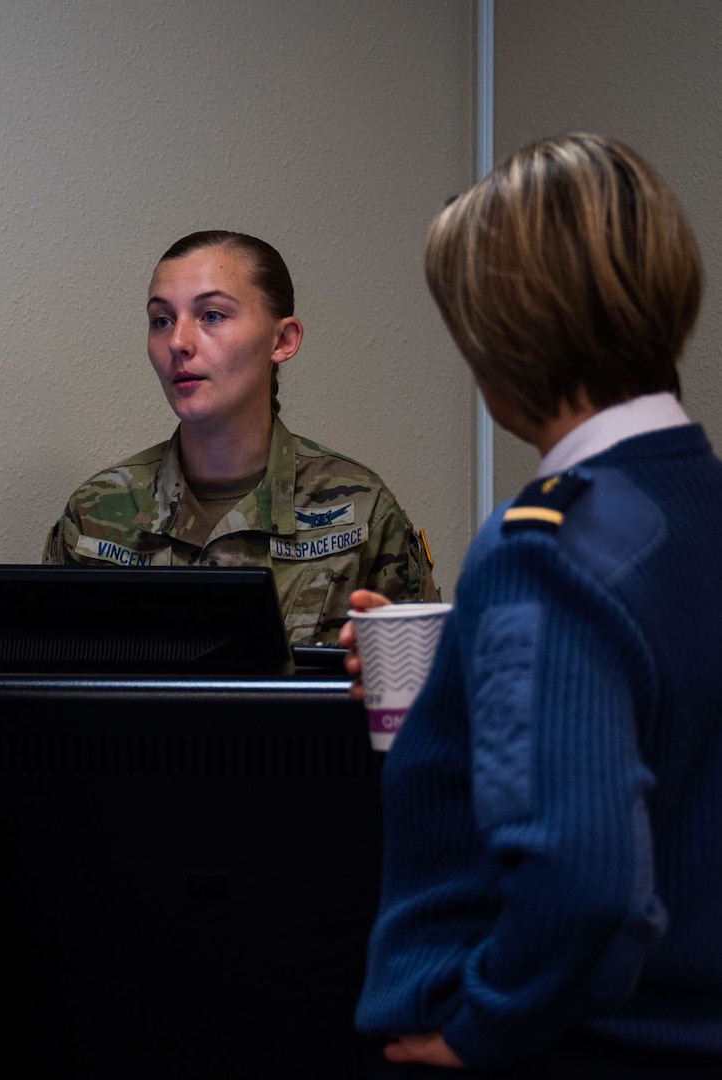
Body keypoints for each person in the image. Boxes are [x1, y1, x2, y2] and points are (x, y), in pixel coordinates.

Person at [351, 134, 722, 1075]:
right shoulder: (693, 506)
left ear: (502, 335)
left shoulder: (544, 550)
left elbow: (583, 878)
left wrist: (483, 1028)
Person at [42, 231, 437, 646]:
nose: (178, 342)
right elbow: (50, 695)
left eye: (211, 315)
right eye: (162, 320)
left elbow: (423, 697)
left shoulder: (361, 511)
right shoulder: (96, 514)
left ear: (282, 340)